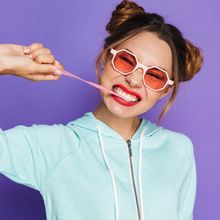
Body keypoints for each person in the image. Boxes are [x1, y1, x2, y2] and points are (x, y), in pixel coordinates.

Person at [0, 1, 203, 220]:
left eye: (154, 76)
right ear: (106, 58)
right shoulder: (53, 147)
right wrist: (2, 61)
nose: (134, 80)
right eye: (126, 60)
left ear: (165, 91)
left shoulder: (178, 150)